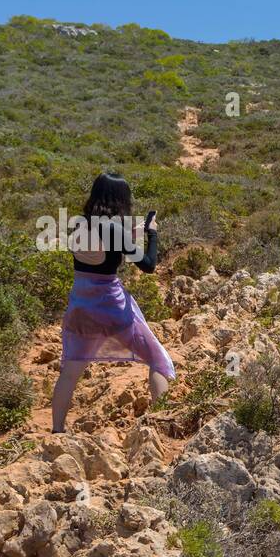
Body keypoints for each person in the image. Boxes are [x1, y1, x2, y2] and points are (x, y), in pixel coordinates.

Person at [52, 172, 174, 433]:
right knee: (158, 360)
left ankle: (57, 431)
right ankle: (162, 427)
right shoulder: (114, 229)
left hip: (80, 307)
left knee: (70, 370)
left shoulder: (80, 224)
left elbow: (101, 246)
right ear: (121, 200)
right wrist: (152, 235)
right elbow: (149, 265)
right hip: (111, 307)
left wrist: (130, 232)